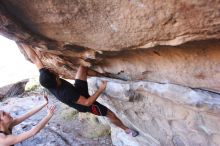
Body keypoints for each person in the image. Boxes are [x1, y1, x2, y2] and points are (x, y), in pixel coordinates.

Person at [22, 44, 139, 137]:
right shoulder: (65, 93)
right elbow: (87, 102)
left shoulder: (45, 78)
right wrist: (100, 89)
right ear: (56, 79)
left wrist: (21, 41)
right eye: (54, 73)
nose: (53, 70)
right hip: (85, 104)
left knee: (82, 68)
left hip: (77, 91)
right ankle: (126, 130)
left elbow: (34, 58)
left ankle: (105, 75)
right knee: (111, 114)